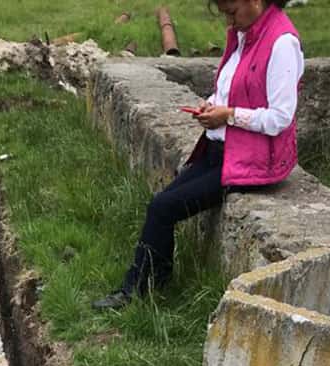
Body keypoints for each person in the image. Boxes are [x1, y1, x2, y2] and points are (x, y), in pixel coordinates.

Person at [93, 0, 304, 310]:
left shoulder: (282, 42)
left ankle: (137, 290)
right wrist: (211, 104)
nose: (229, 22)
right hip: (222, 151)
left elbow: (280, 118)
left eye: (231, 12)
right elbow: (231, 90)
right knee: (160, 204)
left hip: (252, 161)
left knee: (163, 207)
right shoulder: (246, 33)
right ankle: (154, 280)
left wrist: (228, 115)